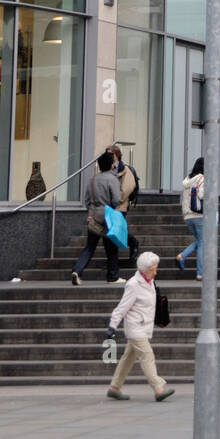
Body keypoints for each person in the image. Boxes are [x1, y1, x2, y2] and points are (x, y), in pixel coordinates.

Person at [105, 251, 174, 402]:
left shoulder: (149, 282)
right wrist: (112, 326)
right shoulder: (133, 285)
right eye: (153, 269)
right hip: (135, 327)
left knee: (127, 359)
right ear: (144, 269)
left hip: (143, 327)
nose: (155, 272)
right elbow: (121, 308)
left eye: (156, 268)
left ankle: (114, 388)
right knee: (147, 356)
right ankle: (158, 388)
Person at [71, 151, 122, 285]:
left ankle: (77, 270)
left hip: (93, 216)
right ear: (111, 165)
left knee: (89, 247)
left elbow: (87, 200)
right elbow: (117, 199)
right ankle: (113, 276)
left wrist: (90, 212)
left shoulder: (92, 180)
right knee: (111, 247)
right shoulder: (113, 179)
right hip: (107, 216)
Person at [108, 143, 139, 263]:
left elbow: (127, 188)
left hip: (119, 207)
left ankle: (132, 243)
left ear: (116, 155)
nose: (108, 156)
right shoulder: (107, 169)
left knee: (114, 232)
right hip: (109, 207)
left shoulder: (125, 169)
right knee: (113, 233)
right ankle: (132, 243)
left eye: (110, 154)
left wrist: (115, 200)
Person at [176, 157, 204, 279]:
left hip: (187, 216)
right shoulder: (202, 178)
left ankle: (182, 256)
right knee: (203, 242)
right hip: (199, 215)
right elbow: (202, 195)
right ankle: (200, 273)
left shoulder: (187, 180)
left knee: (200, 241)